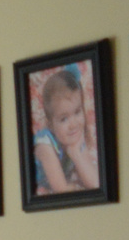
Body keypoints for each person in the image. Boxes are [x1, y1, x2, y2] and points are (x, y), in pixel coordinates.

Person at [33, 66, 101, 195]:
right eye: (64, 119)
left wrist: (75, 152)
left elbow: (95, 183)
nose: (73, 124)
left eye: (77, 112)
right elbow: (61, 189)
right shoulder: (45, 145)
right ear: (51, 124)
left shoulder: (75, 137)